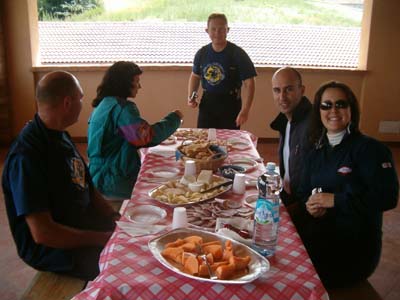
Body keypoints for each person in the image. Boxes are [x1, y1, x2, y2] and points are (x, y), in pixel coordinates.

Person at [2, 71, 119, 281]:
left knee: (139, 239)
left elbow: (87, 187)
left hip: (80, 223)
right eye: (80, 98)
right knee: (120, 265)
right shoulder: (26, 156)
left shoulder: (60, 135)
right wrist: (101, 238)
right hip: (53, 249)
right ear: (67, 102)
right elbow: (43, 233)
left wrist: (113, 217)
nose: (83, 104)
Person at [298, 81, 399, 288]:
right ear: (318, 111)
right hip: (320, 234)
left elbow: (387, 197)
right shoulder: (316, 151)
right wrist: (311, 206)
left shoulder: (371, 150)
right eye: (326, 105)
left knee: (298, 280)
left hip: (355, 247)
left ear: (351, 109)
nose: (333, 110)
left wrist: (335, 200)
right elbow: (305, 192)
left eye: (340, 104)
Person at [87, 61, 183, 199]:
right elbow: (147, 136)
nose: (139, 86)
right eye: (137, 81)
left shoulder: (104, 104)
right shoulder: (122, 109)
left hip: (97, 176)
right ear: (124, 83)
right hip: (113, 180)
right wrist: (175, 118)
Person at [187, 13, 257, 129]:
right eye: (213, 29)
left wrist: (245, 110)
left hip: (230, 104)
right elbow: (195, 76)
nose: (217, 33)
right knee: (204, 139)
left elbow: (250, 83)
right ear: (207, 31)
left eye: (221, 29)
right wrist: (191, 96)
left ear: (227, 30)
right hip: (208, 103)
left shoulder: (237, 53)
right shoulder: (202, 53)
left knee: (228, 142)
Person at [270, 67, 312, 208]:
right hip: (287, 197)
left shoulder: (312, 125)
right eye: (277, 90)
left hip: (303, 207)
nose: (282, 97)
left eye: (288, 89)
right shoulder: (287, 120)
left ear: (302, 90)